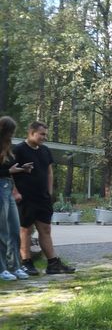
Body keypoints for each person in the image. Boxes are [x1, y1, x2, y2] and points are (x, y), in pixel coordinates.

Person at [13, 121, 75, 275]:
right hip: (25, 198)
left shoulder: (45, 151)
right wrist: (15, 192)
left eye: (45, 134)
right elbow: (9, 172)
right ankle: (26, 262)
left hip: (42, 198)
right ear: (31, 132)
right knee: (26, 230)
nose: (44, 137)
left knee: (45, 229)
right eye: (42, 134)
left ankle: (53, 264)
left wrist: (49, 192)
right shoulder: (18, 150)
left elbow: (49, 172)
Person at [0, 116, 33, 281]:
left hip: (7, 188)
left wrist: (20, 169)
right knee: (2, 231)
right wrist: (10, 172)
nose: (12, 134)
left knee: (14, 230)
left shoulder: (8, 147)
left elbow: (8, 170)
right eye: (11, 131)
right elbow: (5, 171)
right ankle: (2, 268)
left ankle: (15, 266)